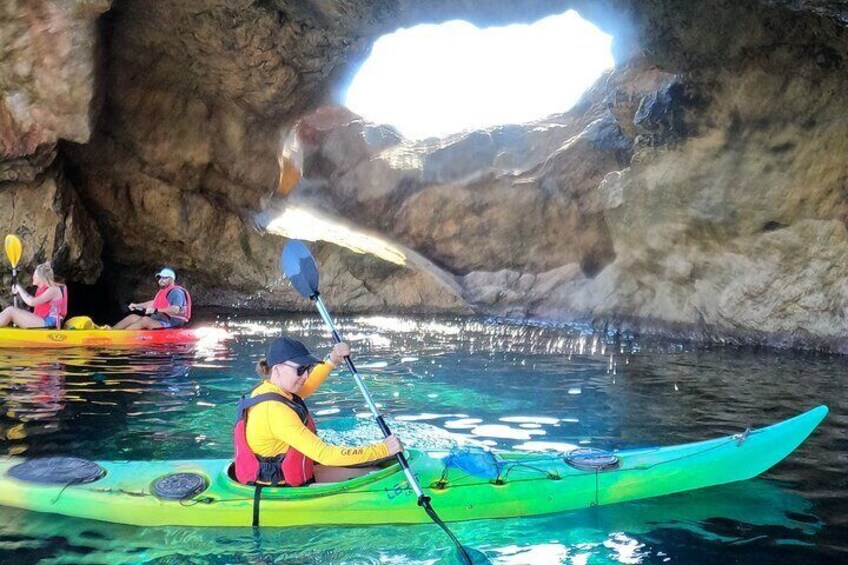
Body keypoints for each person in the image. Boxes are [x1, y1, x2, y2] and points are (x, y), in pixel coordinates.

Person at [233, 337, 402, 486]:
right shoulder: (274, 411)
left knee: (373, 470)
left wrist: (333, 359)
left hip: (295, 472)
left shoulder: (271, 389)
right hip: (280, 487)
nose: (306, 375)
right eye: (300, 370)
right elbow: (325, 455)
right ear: (277, 369)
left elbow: (306, 387)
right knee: (372, 475)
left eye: (309, 368)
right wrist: (383, 449)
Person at [110, 267, 191, 330]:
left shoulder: (176, 292)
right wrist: (137, 305)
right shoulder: (164, 291)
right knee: (132, 317)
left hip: (171, 323)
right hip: (160, 320)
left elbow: (175, 309)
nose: (161, 280)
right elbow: (153, 303)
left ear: (172, 279)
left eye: (165, 278)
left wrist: (156, 310)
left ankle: (121, 336)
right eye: (160, 277)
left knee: (145, 320)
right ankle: (111, 331)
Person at [0, 262, 67, 329]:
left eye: (35, 275)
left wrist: (19, 289)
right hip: (42, 321)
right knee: (13, 311)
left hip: (50, 324)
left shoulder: (54, 289)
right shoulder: (43, 288)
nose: (33, 277)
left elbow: (32, 302)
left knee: (11, 311)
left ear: (41, 277)